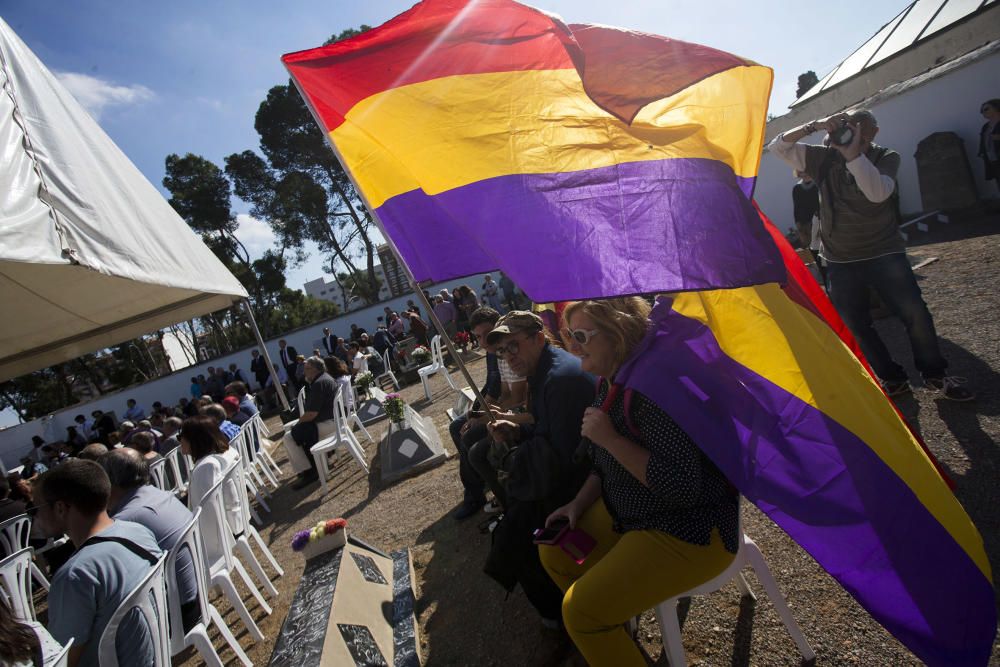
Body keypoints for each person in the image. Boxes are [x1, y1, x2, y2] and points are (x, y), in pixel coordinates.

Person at [538, 298, 739, 665]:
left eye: (581, 335)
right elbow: (602, 466)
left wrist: (612, 439)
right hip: (635, 512)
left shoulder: (652, 388)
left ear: (616, 333)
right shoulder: (612, 378)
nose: (573, 346)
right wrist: (577, 505)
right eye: (568, 335)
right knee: (555, 552)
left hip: (688, 531)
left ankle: (601, 627)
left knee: (579, 615)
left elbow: (681, 487)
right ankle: (614, 630)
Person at [769, 108, 974, 401]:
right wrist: (814, 125)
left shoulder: (886, 157)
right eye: (846, 126)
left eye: (859, 128)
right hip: (839, 258)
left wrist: (854, 154)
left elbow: (877, 193)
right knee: (855, 324)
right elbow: (777, 146)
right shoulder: (820, 157)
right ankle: (892, 378)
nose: (850, 132)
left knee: (915, 314)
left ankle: (935, 376)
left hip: (883, 252)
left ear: (873, 132)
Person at [477, 311, 596, 626]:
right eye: (502, 351)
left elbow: (567, 459)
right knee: (511, 524)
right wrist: (516, 432)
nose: (508, 357)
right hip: (567, 470)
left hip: (586, 483)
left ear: (538, 337)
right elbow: (546, 430)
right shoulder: (543, 370)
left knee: (514, 536)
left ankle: (560, 617)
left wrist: (519, 455)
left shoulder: (558, 379)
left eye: (513, 346)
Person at [34, 460, 163, 666]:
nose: (35, 517)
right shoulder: (138, 531)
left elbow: (62, 661)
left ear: (60, 508)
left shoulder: (75, 575)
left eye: (36, 508)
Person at [99, 448, 201, 633]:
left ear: (107, 482)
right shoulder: (156, 494)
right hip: (197, 590)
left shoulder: (125, 521)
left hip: (180, 614)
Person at [450, 306, 529, 520]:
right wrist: (479, 410)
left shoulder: (506, 353)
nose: (484, 341)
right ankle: (478, 487)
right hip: (508, 409)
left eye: (487, 334)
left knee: (470, 440)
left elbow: (517, 397)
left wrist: (489, 414)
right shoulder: (495, 354)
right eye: (478, 337)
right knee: (459, 427)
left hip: (520, 415)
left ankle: (484, 494)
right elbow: (496, 388)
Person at [180, 416, 243, 566]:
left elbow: (204, 514)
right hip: (235, 521)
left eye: (180, 437)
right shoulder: (226, 452)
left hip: (217, 538)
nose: (179, 441)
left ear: (193, 439)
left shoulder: (205, 468)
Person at [281, 357, 340, 489]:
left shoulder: (319, 383)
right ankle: (313, 465)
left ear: (314, 369)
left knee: (289, 436)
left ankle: (310, 471)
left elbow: (311, 414)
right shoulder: (325, 378)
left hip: (330, 423)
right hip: (334, 420)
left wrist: (298, 424)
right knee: (299, 432)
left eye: (306, 369)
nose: (304, 372)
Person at [979, 98, 1000, 194]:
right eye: (982, 111)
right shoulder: (986, 127)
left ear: (996, 107)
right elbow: (983, 141)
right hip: (993, 160)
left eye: (986, 109)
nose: (983, 112)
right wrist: (982, 152)